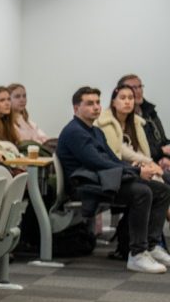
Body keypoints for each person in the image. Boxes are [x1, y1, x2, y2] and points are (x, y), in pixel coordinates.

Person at [56, 87, 170, 273]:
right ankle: (137, 253)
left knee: (162, 190)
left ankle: (151, 245)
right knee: (141, 192)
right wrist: (136, 172)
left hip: (102, 180)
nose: (96, 107)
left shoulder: (95, 132)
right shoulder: (75, 131)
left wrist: (136, 169)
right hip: (85, 186)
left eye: (97, 103)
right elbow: (97, 163)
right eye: (89, 103)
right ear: (76, 108)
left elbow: (113, 161)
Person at [97, 84, 163, 176]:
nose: (127, 102)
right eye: (123, 98)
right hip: (119, 170)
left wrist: (147, 164)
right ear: (113, 103)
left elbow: (140, 149)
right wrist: (149, 162)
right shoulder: (105, 122)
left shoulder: (137, 122)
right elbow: (119, 149)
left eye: (131, 98)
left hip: (138, 165)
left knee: (164, 176)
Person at [119, 74, 170, 171]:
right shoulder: (123, 118)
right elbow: (134, 152)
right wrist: (162, 152)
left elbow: (163, 140)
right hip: (144, 165)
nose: (138, 91)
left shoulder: (150, 112)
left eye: (140, 86)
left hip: (162, 160)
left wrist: (166, 157)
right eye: (134, 88)